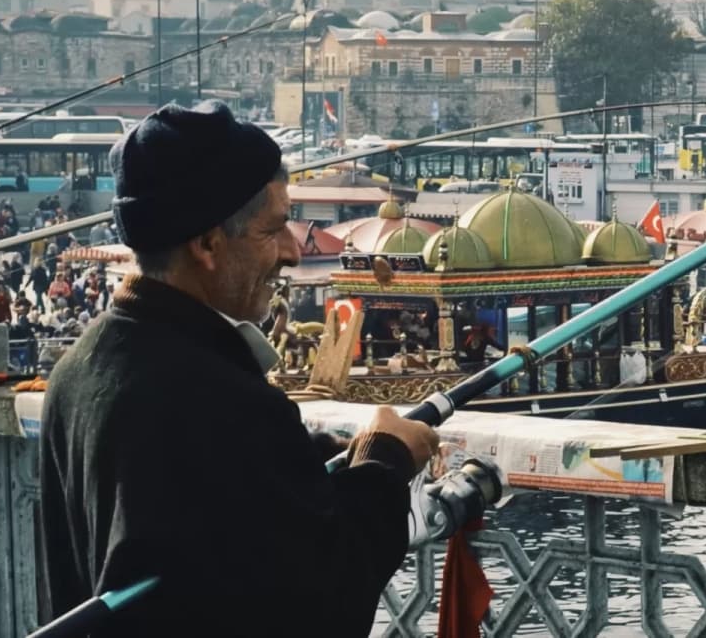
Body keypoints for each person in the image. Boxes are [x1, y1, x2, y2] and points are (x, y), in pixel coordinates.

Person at [39, 100, 437, 635]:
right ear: (206, 243)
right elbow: (320, 605)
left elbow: (210, 525)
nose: (293, 251)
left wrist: (307, 462)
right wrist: (384, 465)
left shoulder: (76, 370)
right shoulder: (222, 402)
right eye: (272, 230)